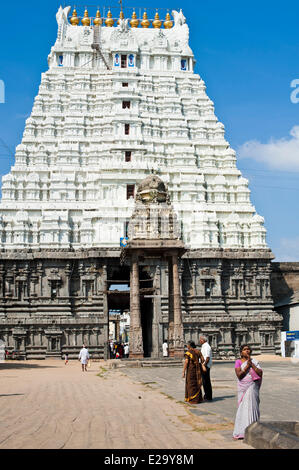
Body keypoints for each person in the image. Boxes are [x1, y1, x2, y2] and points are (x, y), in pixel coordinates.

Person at [233, 344, 263, 440]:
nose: (247, 351)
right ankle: (242, 431)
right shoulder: (238, 362)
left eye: (248, 349)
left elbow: (260, 373)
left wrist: (252, 365)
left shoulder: (254, 361)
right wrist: (247, 367)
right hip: (244, 388)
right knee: (243, 408)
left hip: (253, 386)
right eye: (245, 349)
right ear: (241, 352)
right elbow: (239, 375)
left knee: (253, 407)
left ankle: (254, 430)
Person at [199, 336, 213, 401]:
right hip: (204, 365)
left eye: (200, 340)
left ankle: (208, 396)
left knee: (206, 381)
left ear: (203, 340)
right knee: (205, 381)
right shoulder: (204, 346)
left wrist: (204, 365)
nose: (199, 341)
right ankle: (206, 395)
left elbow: (207, 358)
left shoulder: (207, 347)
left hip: (206, 365)